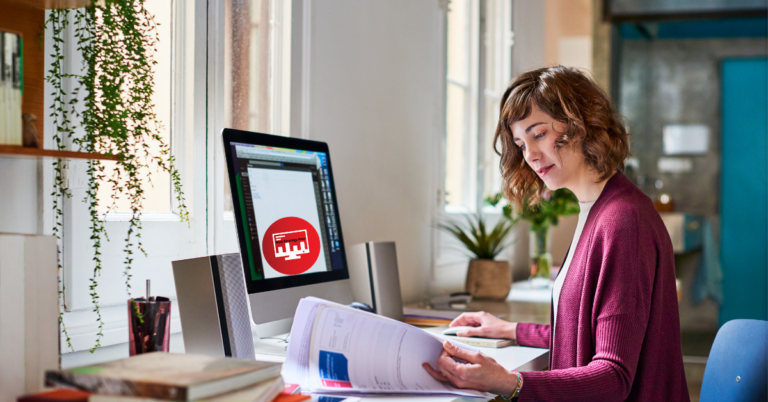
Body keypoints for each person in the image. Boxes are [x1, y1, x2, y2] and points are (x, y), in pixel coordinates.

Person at [423, 66, 689, 401]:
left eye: (539, 134)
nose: (530, 155)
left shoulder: (624, 222)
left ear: (581, 122)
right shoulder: (598, 208)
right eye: (521, 143)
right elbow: (589, 333)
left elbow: (614, 376)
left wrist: (508, 382)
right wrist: (509, 330)